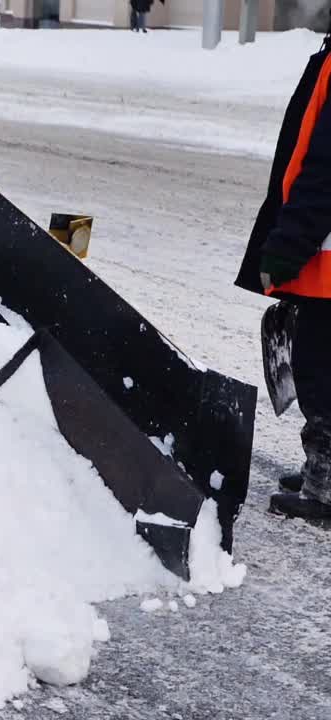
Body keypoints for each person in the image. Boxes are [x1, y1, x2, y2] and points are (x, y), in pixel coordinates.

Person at [236, 34, 331, 522]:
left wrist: (287, 245)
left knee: (320, 367)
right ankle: (322, 466)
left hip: (327, 260)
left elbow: (323, 170)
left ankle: (326, 483)